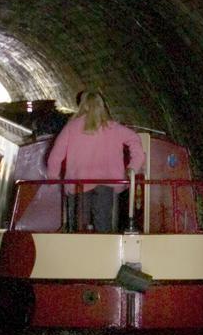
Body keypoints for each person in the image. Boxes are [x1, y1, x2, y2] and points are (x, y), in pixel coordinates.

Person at [44, 92, 144, 233]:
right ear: (102, 106)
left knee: (79, 229)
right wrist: (133, 167)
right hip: (108, 185)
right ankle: (103, 252)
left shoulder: (71, 127)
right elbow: (135, 140)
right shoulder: (114, 128)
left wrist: (53, 176)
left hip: (78, 185)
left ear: (82, 106)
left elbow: (56, 155)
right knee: (104, 228)